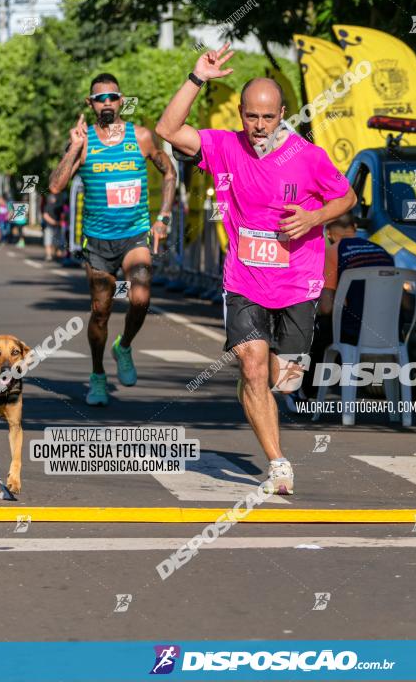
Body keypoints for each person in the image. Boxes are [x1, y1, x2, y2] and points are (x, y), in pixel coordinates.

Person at [155, 44, 357, 495]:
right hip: (244, 278)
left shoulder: (308, 156)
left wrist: (313, 218)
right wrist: (196, 77)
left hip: (296, 280)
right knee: (251, 365)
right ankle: (278, 462)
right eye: (251, 117)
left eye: (268, 117)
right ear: (242, 114)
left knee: (284, 382)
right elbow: (167, 129)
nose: (259, 126)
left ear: (282, 113)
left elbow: (347, 198)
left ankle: (263, 391)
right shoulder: (224, 146)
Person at [48, 72, 176, 406]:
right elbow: (55, 186)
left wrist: (163, 216)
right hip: (98, 242)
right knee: (100, 312)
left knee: (141, 296)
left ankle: (124, 346)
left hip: (135, 236)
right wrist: (74, 147)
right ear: (90, 104)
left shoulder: (142, 137)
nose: (107, 103)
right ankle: (97, 376)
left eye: (112, 97)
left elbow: (170, 172)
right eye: (99, 98)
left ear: (121, 101)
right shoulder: (84, 140)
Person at [291, 212, 394, 408]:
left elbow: (326, 307)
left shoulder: (333, 253)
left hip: (354, 332)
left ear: (328, 233)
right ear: (355, 228)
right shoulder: (383, 252)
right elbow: (405, 303)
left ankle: (304, 392)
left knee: (316, 330)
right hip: (389, 332)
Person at [42, 190, 67, 261]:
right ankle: (50, 255)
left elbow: (63, 215)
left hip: (56, 226)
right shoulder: (48, 206)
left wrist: (58, 222)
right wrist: (55, 222)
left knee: (54, 242)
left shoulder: (58, 206)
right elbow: (45, 216)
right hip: (51, 226)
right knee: (50, 241)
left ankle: (53, 255)